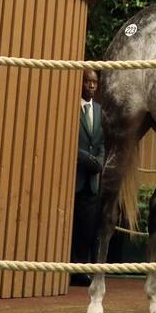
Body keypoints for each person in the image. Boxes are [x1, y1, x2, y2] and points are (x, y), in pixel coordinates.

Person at [72, 69, 104, 286]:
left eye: (94, 82)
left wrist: (99, 162)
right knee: (73, 226)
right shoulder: (73, 108)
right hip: (75, 177)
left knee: (87, 226)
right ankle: (71, 267)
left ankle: (82, 268)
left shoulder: (100, 111)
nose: (91, 86)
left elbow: (101, 143)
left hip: (92, 180)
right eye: (88, 82)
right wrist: (86, 159)